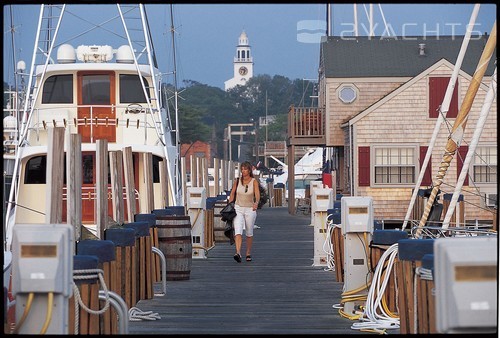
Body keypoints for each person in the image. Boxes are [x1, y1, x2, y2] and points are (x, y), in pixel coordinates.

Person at [229, 161, 260, 263]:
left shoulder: (254, 181)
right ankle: (238, 252)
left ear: (249, 170)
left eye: (245, 169)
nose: (243, 171)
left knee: (249, 232)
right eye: (242, 169)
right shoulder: (237, 181)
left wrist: (256, 203)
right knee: (238, 230)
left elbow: (257, 195)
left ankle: (248, 252)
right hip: (238, 208)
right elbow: (233, 193)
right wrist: (230, 204)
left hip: (250, 209)